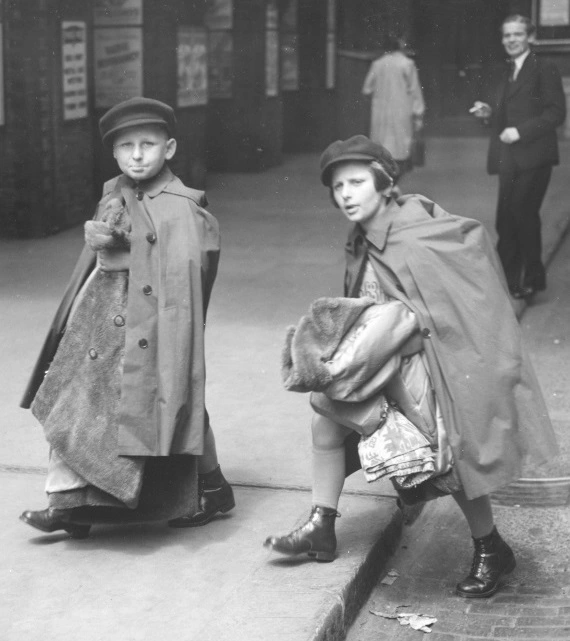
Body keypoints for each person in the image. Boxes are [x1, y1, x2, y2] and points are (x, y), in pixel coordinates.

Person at [264, 135, 559, 599]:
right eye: (338, 185)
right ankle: (322, 525)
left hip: (429, 364)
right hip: (382, 361)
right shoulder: (362, 235)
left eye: (356, 182)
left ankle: (491, 548)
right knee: (325, 422)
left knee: (450, 459)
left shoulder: (416, 231)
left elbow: (457, 296)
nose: (345, 194)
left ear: (383, 183)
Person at [19, 97, 234, 538]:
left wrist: (124, 252)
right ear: (114, 153)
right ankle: (67, 504)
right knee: (78, 398)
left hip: (151, 325)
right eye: (126, 146)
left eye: (148, 144)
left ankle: (212, 487)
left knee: (175, 400)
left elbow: (186, 277)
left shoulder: (182, 207)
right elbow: (94, 269)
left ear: (169, 148)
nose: (137, 155)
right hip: (101, 324)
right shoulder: (112, 193)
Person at [470, 14, 566, 300]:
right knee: (505, 218)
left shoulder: (544, 68)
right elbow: (504, 114)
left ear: (531, 38)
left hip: (535, 156)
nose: (511, 40)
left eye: (517, 34)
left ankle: (531, 279)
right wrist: (489, 115)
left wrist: (521, 132)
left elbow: (556, 113)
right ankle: (507, 279)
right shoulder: (505, 70)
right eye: (506, 35)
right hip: (509, 157)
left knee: (523, 213)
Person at [362, 34, 425, 179]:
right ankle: (396, 175)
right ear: (401, 46)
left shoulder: (377, 64)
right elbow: (414, 90)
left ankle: (384, 174)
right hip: (402, 109)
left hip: (381, 111)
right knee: (400, 144)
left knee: (382, 142)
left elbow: (366, 89)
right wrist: (418, 113)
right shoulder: (407, 64)